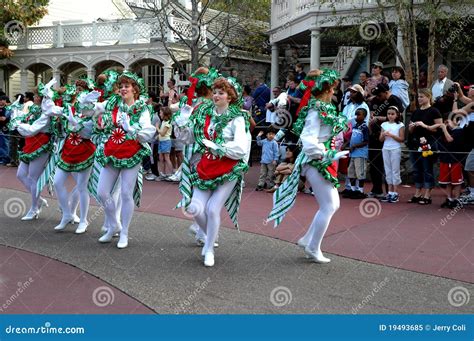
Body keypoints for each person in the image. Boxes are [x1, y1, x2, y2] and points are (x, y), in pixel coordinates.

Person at [267, 68, 349, 263]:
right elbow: (308, 138)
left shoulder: (321, 107)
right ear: (326, 89)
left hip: (322, 160)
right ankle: (313, 247)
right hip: (316, 161)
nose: (334, 92)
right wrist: (326, 153)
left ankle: (307, 240)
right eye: (332, 89)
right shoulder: (316, 109)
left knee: (332, 205)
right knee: (329, 206)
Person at [177, 76, 251, 267]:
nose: (216, 95)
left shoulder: (238, 118)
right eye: (215, 92)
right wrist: (183, 122)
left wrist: (220, 147)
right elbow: (189, 139)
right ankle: (211, 235)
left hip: (229, 167)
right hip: (207, 165)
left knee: (211, 209)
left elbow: (241, 147)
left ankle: (209, 249)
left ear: (230, 97)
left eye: (221, 93)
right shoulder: (205, 114)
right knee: (194, 208)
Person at [94, 72, 155, 248]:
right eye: (121, 86)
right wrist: (87, 102)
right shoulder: (113, 103)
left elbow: (148, 131)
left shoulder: (142, 108)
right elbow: (94, 109)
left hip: (131, 152)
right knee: (102, 192)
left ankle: (125, 233)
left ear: (135, 90)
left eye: (126, 86)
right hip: (113, 151)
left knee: (126, 193)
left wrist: (131, 129)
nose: (123, 89)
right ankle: (114, 224)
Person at [9, 90, 50, 220]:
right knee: (20, 175)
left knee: (33, 179)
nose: (37, 98)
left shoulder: (46, 112)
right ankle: (39, 200)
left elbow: (32, 130)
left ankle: (34, 208)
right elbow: (23, 118)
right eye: (36, 96)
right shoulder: (33, 109)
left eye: (39, 96)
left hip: (40, 146)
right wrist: (15, 112)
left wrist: (18, 125)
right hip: (29, 145)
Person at [368, 83, 404, 198]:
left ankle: (392, 191)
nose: (377, 97)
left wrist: (379, 118)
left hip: (391, 140)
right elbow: (373, 114)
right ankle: (379, 189)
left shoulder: (395, 100)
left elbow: (399, 117)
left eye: (379, 95)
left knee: (392, 167)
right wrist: (373, 119)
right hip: (377, 136)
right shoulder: (375, 101)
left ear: (385, 92)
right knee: (376, 164)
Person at [407, 89, 442, 205]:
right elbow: (410, 130)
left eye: (422, 96)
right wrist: (411, 127)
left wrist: (424, 125)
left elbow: (439, 127)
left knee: (427, 168)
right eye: (418, 97)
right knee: (416, 169)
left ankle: (428, 194)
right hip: (415, 143)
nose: (419, 99)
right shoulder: (416, 111)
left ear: (428, 97)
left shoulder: (434, 111)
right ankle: (418, 192)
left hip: (428, 142)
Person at [438, 118, 466, 208]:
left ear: (457, 122)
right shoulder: (446, 130)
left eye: (449, 121)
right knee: (447, 181)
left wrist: (444, 128)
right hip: (445, 159)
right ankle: (449, 199)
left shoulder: (459, 131)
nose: (447, 123)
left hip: (455, 160)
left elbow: (450, 139)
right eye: (445, 121)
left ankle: (456, 200)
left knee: (456, 182)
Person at [379, 106, 405, 203]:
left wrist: (392, 135)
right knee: (387, 170)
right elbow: (380, 139)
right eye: (388, 114)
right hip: (385, 148)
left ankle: (395, 193)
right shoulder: (384, 124)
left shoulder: (400, 125)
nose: (390, 116)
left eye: (392, 114)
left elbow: (402, 139)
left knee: (395, 170)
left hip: (395, 149)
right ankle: (389, 192)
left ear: (397, 115)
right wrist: (383, 134)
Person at [347, 108, 369, 199]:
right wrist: (346, 144)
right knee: (351, 171)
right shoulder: (355, 126)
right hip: (352, 153)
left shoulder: (364, 127)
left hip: (360, 153)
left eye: (359, 114)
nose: (356, 116)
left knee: (360, 172)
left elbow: (366, 141)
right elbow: (352, 137)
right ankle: (352, 189)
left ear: (364, 116)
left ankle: (360, 190)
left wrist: (355, 146)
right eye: (356, 114)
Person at [255, 126, 279, 191]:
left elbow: (276, 152)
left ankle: (271, 184)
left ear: (274, 135)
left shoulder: (274, 143)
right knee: (262, 173)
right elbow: (259, 143)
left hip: (271, 161)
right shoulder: (264, 141)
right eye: (269, 134)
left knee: (271, 174)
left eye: (273, 134)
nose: (271, 135)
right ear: (266, 134)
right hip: (263, 161)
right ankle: (261, 184)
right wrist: (258, 136)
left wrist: (275, 159)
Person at [157, 106, 174, 179]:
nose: (160, 114)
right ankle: (162, 174)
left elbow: (163, 133)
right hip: (161, 141)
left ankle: (171, 174)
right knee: (161, 158)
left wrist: (157, 127)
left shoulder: (168, 123)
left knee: (166, 158)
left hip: (166, 141)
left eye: (161, 113)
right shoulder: (163, 122)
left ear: (165, 114)